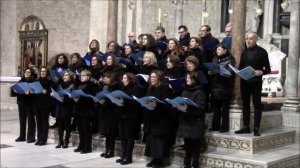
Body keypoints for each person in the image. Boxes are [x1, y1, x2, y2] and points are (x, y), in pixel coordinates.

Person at [235, 32, 271, 136]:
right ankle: (246, 126)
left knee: (257, 105)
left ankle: (256, 127)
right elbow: (241, 66)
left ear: (255, 39)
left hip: (256, 82)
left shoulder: (262, 52)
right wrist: (239, 71)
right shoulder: (244, 53)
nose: (248, 40)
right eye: (246, 38)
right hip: (245, 82)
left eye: (250, 38)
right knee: (245, 104)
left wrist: (261, 72)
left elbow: (268, 69)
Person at [174, 71, 206, 168]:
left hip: (195, 122)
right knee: (187, 144)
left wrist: (187, 108)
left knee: (195, 145)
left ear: (195, 80)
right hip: (185, 121)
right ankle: (186, 163)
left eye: (189, 78)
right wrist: (177, 106)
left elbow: (200, 110)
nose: (187, 79)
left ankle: (194, 164)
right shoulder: (184, 91)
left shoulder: (200, 92)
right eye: (186, 77)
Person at [143, 70, 174, 168]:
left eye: (154, 77)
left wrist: (156, 104)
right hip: (151, 118)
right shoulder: (150, 88)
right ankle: (154, 159)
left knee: (159, 141)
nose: (151, 79)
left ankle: (160, 161)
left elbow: (168, 105)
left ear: (159, 79)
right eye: (151, 77)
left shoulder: (166, 89)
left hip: (161, 119)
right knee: (151, 140)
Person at [114, 73, 144, 165]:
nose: (123, 80)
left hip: (131, 116)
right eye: (122, 78)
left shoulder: (136, 88)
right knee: (122, 137)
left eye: (125, 78)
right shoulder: (122, 88)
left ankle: (128, 157)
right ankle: (123, 155)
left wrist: (124, 101)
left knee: (129, 137)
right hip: (121, 115)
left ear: (130, 79)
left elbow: (137, 103)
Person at [208, 44, 234, 133]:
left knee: (224, 109)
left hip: (224, 87)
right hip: (215, 87)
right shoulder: (215, 59)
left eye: (219, 49)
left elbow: (230, 73)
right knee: (216, 108)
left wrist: (218, 72)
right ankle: (215, 126)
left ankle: (224, 127)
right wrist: (210, 72)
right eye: (217, 49)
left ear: (225, 50)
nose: (217, 51)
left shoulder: (230, 60)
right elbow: (212, 71)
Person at [73, 70, 98, 154]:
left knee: (86, 129)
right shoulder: (78, 85)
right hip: (78, 109)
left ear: (88, 77)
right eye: (81, 75)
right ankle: (81, 145)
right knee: (80, 129)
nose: (82, 77)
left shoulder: (92, 86)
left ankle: (88, 147)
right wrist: (75, 98)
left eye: (84, 75)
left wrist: (83, 96)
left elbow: (93, 98)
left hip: (87, 110)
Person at [11, 67, 37, 143]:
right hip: (21, 103)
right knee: (22, 120)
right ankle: (22, 136)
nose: (26, 73)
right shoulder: (20, 81)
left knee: (31, 120)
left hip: (30, 103)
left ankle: (31, 137)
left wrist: (29, 93)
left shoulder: (33, 82)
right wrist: (14, 90)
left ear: (31, 74)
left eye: (28, 72)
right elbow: (13, 93)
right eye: (26, 71)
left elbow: (35, 93)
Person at [98, 72, 120, 158]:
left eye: (108, 77)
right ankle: (107, 149)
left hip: (112, 112)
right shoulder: (104, 86)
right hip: (104, 111)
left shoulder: (115, 87)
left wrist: (105, 102)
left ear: (112, 78)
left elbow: (115, 100)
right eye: (104, 77)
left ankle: (111, 151)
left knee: (111, 133)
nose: (105, 79)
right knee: (107, 133)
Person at [53, 70, 75, 148]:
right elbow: (57, 94)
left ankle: (66, 141)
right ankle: (60, 141)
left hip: (67, 107)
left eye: (66, 75)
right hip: (59, 106)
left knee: (67, 125)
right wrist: (54, 95)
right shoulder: (60, 85)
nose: (64, 76)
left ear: (70, 77)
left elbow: (73, 98)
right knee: (60, 125)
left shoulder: (72, 85)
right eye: (64, 75)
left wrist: (65, 98)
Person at [33, 66, 52, 146]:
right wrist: (32, 91)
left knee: (44, 122)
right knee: (38, 122)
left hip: (45, 104)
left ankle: (43, 140)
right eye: (41, 71)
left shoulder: (50, 81)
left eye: (44, 71)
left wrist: (46, 92)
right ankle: (39, 139)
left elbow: (52, 93)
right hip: (37, 104)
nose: (43, 72)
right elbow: (34, 92)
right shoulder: (36, 81)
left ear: (47, 73)